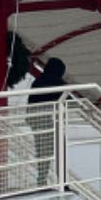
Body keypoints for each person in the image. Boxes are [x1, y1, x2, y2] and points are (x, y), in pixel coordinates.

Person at [26, 57, 67, 186]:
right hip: (49, 121)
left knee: (42, 151)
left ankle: (42, 179)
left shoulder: (37, 81)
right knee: (58, 151)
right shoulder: (58, 83)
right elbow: (69, 99)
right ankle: (62, 182)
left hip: (35, 120)